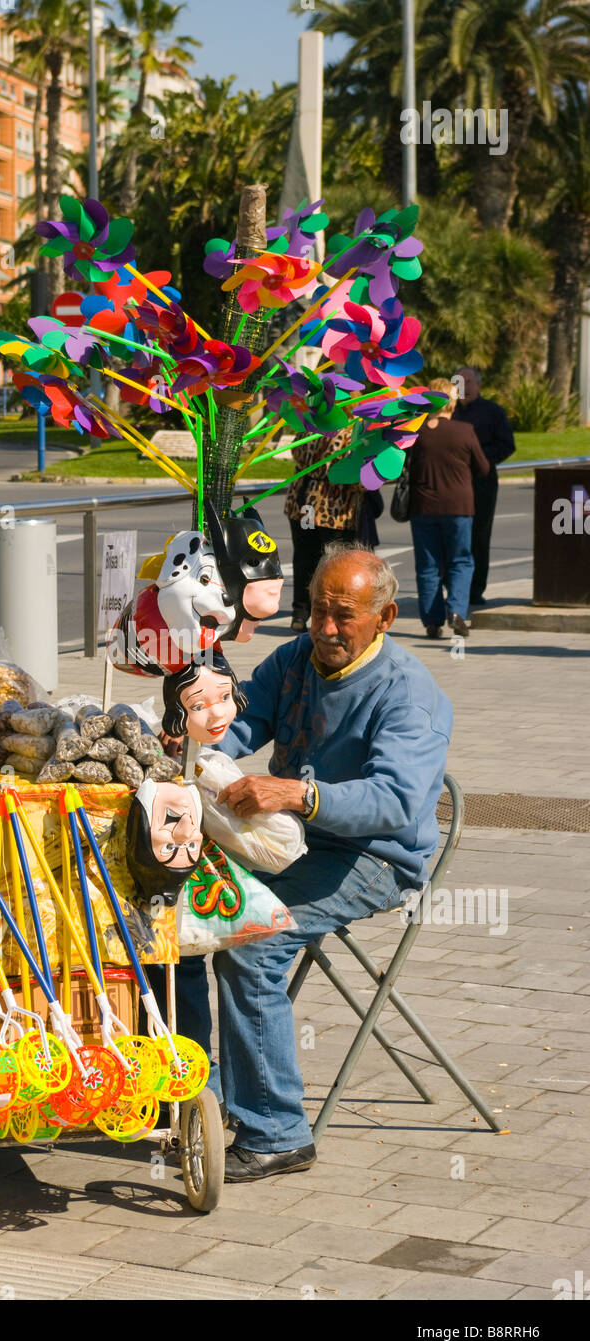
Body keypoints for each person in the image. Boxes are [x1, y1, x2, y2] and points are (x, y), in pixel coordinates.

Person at [184, 543, 453, 1181]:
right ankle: (197, 1092)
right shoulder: (296, 658)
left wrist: (300, 793)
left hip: (372, 857)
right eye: (316, 613)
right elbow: (246, 724)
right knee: (176, 914)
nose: (326, 629)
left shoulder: (409, 693)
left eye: (344, 617)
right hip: (286, 838)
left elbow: (395, 802)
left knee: (249, 942)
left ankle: (277, 1130)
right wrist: (198, 724)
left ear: (384, 618)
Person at [408, 377, 490, 639]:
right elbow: (483, 468)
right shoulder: (464, 431)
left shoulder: (416, 433)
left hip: (423, 507)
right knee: (460, 561)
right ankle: (455, 611)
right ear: (451, 404)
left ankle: (432, 622)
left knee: (428, 566)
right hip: (458, 507)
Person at [284, 426, 361, 632]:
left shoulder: (311, 425)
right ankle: (331, 615)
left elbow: (296, 452)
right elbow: (353, 474)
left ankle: (299, 613)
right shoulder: (350, 432)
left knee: (303, 559)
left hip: (303, 502)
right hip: (333, 506)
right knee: (335, 564)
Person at [453, 367, 515, 606]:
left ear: (478, 385)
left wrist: (480, 459)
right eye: (459, 382)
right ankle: (455, 587)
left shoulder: (493, 412)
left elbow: (506, 445)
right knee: (454, 537)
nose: (464, 388)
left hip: (482, 484)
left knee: (479, 536)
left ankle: (475, 589)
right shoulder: (447, 412)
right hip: (451, 486)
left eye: (468, 382)